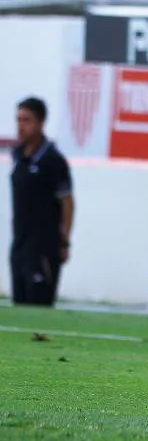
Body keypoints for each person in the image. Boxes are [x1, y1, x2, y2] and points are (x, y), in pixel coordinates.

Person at [9, 97, 74, 307]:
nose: (21, 126)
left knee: (39, 306)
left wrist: (64, 241)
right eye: (18, 120)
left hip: (44, 247)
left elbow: (67, 202)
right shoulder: (18, 156)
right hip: (19, 244)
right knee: (19, 306)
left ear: (40, 123)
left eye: (26, 120)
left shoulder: (53, 160)